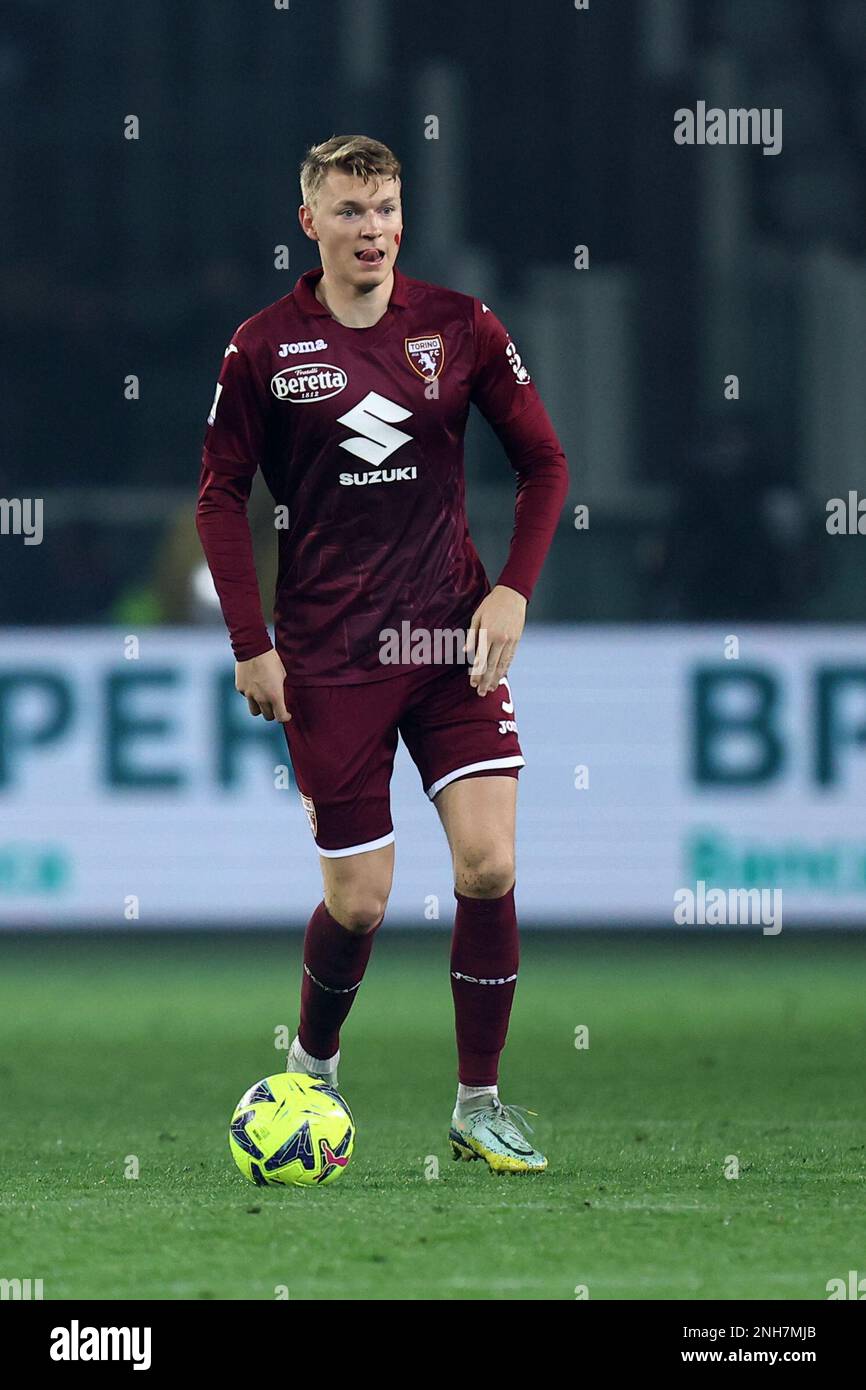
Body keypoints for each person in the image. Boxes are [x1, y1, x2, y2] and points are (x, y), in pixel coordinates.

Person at [196, 135, 568, 1173]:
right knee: (359, 897)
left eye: (387, 208)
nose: (373, 230)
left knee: (487, 863)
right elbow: (221, 495)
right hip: (327, 655)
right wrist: (250, 643)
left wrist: (510, 589)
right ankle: (310, 1070)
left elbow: (543, 462)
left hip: (447, 638)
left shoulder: (459, 329)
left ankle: (479, 1101)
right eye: (352, 211)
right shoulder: (263, 347)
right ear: (308, 222)